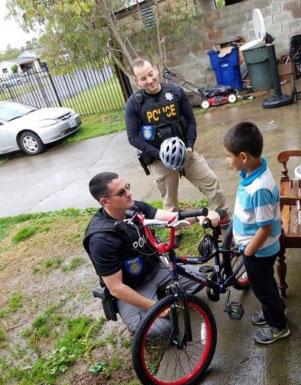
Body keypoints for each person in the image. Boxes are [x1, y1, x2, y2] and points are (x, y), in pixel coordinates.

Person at [83, 171, 220, 335]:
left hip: (156, 269)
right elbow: (116, 288)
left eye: (127, 187)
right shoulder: (101, 239)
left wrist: (199, 216)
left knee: (205, 279)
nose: (129, 193)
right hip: (132, 287)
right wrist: (153, 306)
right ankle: (142, 309)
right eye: (121, 192)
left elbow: (170, 219)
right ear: (105, 201)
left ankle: (163, 293)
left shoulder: (133, 208)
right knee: (164, 329)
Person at [124, 57, 230, 241]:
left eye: (150, 74)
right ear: (136, 81)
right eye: (143, 78)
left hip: (186, 154)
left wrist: (189, 145)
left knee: (211, 182)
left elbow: (190, 121)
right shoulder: (134, 104)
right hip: (159, 161)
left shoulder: (175, 92)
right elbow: (132, 137)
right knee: (170, 202)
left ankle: (221, 217)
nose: (149, 80)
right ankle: (177, 231)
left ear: (156, 70)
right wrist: (159, 154)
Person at [223, 122, 290, 344]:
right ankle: (275, 310)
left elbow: (265, 226)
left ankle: (278, 326)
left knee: (263, 289)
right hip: (260, 248)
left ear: (243, 157)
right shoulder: (254, 171)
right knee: (266, 283)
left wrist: (249, 252)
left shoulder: (260, 187)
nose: (226, 161)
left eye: (227, 156)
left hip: (259, 250)